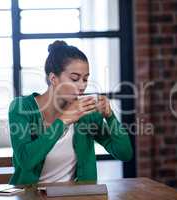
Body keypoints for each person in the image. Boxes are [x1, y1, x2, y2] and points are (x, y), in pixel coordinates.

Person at [8, 40, 133, 185]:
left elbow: (125, 153)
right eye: (74, 79)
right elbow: (26, 161)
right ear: (53, 78)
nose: (82, 86)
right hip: (30, 196)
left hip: (76, 196)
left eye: (85, 79)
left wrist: (110, 117)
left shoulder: (87, 113)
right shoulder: (21, 108)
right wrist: (63, 121)